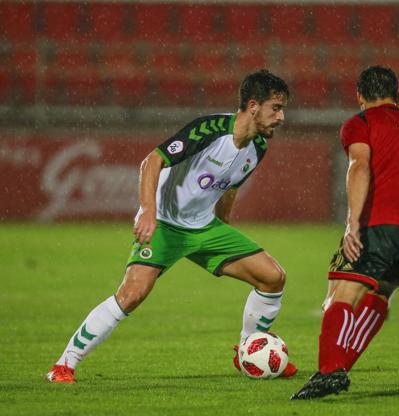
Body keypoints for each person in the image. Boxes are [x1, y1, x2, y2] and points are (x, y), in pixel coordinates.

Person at [47, 69, 297, 384]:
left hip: (204, 227)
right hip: (165, 222)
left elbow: (229, 188)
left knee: (273, 278)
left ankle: (248, 351)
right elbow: (152, 161)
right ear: (252, 106)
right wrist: (148, 211)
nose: (281, 116)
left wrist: (223, 229)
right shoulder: (210, 129)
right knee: (133, 294)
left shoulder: (258, 146)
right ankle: (63, 365)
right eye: (276, 107)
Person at [291, 66, 399, 400]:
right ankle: (336, 370)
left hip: (381, 225)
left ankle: (328, 372)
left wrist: (352, 223)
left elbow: (359, 166)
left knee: (341, 291)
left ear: (359, 96)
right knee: (379, 293)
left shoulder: (361, 123)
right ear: (397, 96)